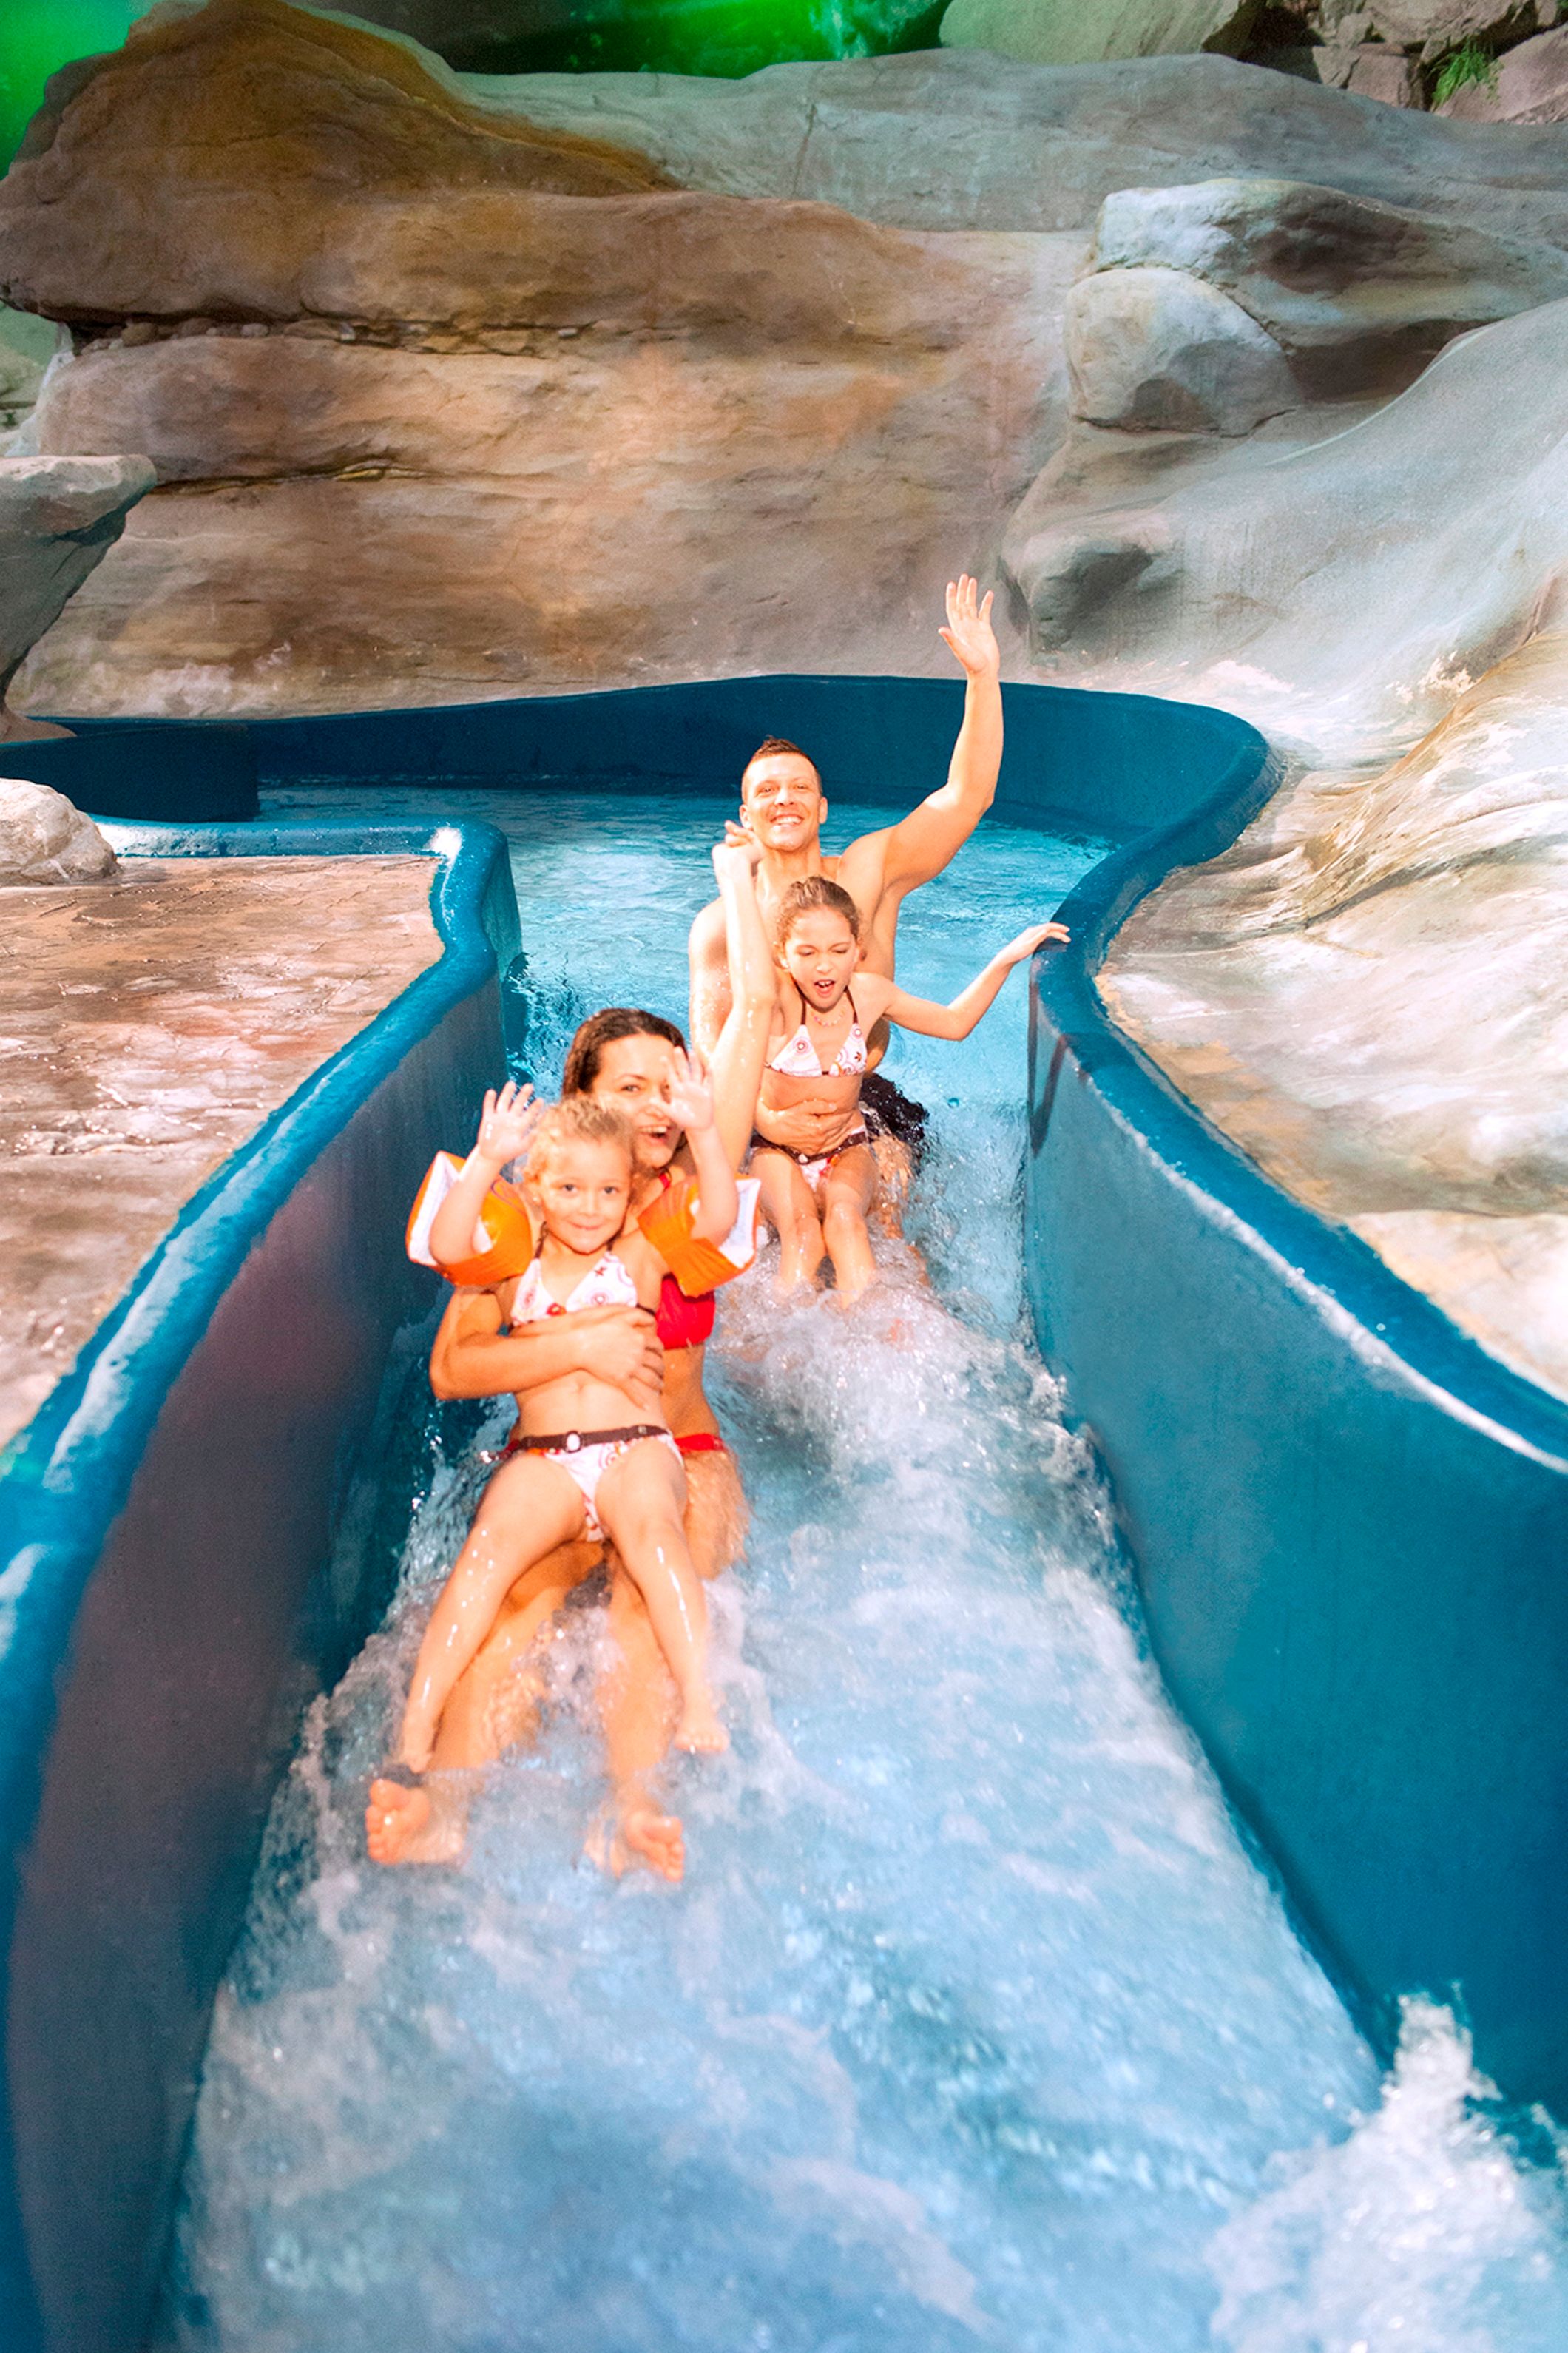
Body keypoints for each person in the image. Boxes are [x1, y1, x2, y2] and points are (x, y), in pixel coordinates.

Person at [368, 843, 775, 1877]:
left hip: (678, 1448)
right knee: (521, 1602)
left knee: (645, 1604)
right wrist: (581, 1338)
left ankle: (633, 1807)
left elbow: (752, 1021)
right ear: (580, 1097)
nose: (650, 1104)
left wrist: (744, 890)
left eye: (665, 1084)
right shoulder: (528, 1210)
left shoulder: (690, 1212)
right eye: (625, 1084)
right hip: (546, 1459)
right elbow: (456, 1369)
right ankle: (445, 1806)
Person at [374, 1076, 738, 1872]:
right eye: (569, 1188)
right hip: (547, 1458)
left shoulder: (638, 1252)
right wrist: (486, 1159)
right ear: (535, 1187)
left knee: (653, 1535)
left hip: (635, 1444)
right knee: (487, 1556)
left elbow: (715, 1219)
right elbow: (448, 1244)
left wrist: (706, 1133)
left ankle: (700, 1702)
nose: (589, 1205)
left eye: (607, 1190)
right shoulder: (517, 1268)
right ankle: (417, 1727)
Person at [688, 574, 1007, 1195]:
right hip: (762, 1108)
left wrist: (982, 679)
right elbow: (710, 1051)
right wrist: (763, 1117)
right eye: (767, 792)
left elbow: (968, 798)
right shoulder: (723, 922)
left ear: (824, 807)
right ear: (745, 815)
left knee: (889, 1201)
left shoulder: (868, 868)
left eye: (800, 788)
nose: (785, 800)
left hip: (860, 1094)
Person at [749, 874, 1067, 1296]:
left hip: (846, 1147)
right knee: (804, 1236)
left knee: (847, 1225)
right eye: (806, 952)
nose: (823, 965)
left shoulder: (869, 995)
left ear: (858, 950)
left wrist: (1006, 959)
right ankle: (781, 1352)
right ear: (782, 956)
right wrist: (740, 881)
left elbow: (954, 1024)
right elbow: (745, 978)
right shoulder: (779, 1003)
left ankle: (868, 1345)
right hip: (778, 1153)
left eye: (838, 951)